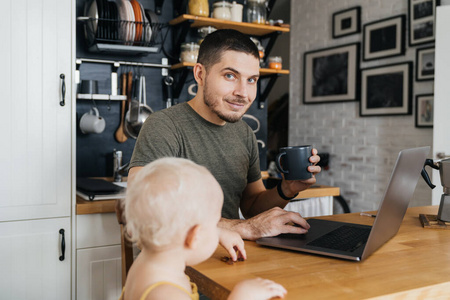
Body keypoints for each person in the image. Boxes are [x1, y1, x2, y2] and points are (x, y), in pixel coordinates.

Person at [128, 29, 321, 241]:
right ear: (200, 74)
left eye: (252, 80)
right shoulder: (163, 125)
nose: (243, 93)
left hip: (232, 255)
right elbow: (143, 208)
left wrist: (286, 189)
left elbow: (252, 208)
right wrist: (244, 228)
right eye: (230, 76)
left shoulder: (244, 133)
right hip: (175, 263)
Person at [120, 157, 287, 300]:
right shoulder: (167, 294)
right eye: (215, 224)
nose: (216, 230)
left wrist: (219, 232)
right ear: (195, 236)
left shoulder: (147, 263)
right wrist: (241, 296)